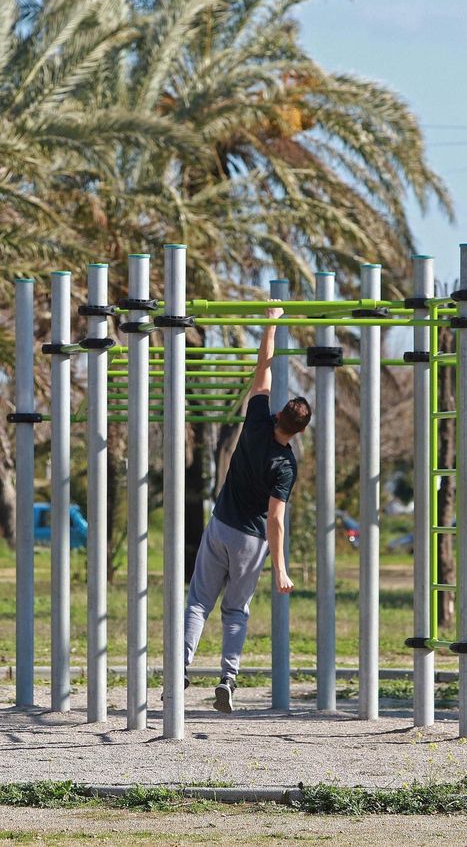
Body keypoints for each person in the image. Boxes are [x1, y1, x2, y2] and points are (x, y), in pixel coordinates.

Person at [183, 304, 312, 714]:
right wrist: (280, 568)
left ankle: (180, 666)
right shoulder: (286, 465)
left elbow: (263, 368)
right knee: (235, 610)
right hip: (252, 542)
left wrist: (271, 323)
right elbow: (276, 519)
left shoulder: (256, 420)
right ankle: (228, 677)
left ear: (278, 414)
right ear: (298, 432)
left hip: (221, 525)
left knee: (198, 602)